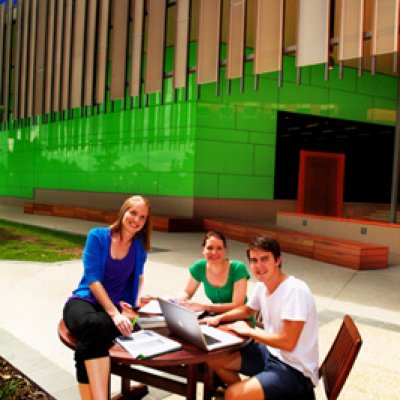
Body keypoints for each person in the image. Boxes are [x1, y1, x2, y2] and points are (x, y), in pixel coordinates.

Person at [204, 235, 318, 400]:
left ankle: (240, 395)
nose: (259, 266)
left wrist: (249, 332)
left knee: (232, 395)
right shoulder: (262, 286)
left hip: (295, 370)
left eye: (265, 259)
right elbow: (247, 310)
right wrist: (219, 318)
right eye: (254, 260)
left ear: (278, 260)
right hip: (271, 355)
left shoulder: (295, 290)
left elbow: (288, 342)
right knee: (214, 359)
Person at [63, 195, 152, 400]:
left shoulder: (139, 249)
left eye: (142, 217)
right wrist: (115, 314)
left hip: (112, 310)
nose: (136, 220)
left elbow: (137, 278)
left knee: (91, 335)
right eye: (133, 213)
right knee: (92, 325)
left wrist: (136, 302)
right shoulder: (97, 237)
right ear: (123, 212)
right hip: (84, 300)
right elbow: (93, 279)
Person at [176, 231, 251, 315]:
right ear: (203, 250)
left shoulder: (238, 268)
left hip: (239, 318)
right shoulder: (199, 266)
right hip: (214, 317)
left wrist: (205, 307)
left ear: (224, 251)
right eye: (210, 248)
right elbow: (187, 292)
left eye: (219, 248)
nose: (214, 252)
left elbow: (237, 305)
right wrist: (176, 301)